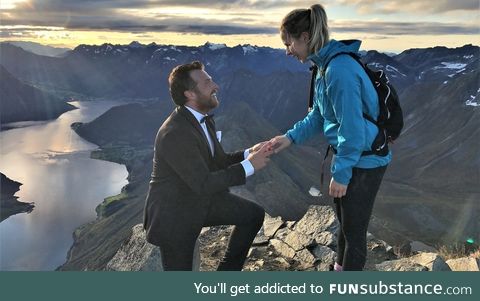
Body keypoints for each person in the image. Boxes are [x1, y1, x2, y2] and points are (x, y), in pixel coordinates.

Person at [270, 4, 391, 271]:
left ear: (304, 37)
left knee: (354, 231)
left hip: (365, 160)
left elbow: (352, 128)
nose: (287, 51)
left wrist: (343, 172)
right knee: (345, 225)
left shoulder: (339, 71)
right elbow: (318, 116)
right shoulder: (323, 67)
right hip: (352, 156)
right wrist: (288, 138)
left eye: (289, 43)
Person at [143, 61, 273, 271]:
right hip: (175, 216)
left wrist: (250, 152)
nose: (216, 86)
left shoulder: (202, 120)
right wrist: (249, 166)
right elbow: (203, 183)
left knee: (253, 215)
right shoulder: (175, 133)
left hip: (199, 201)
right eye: (207, 82)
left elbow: (217, 161)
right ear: (190, 94)